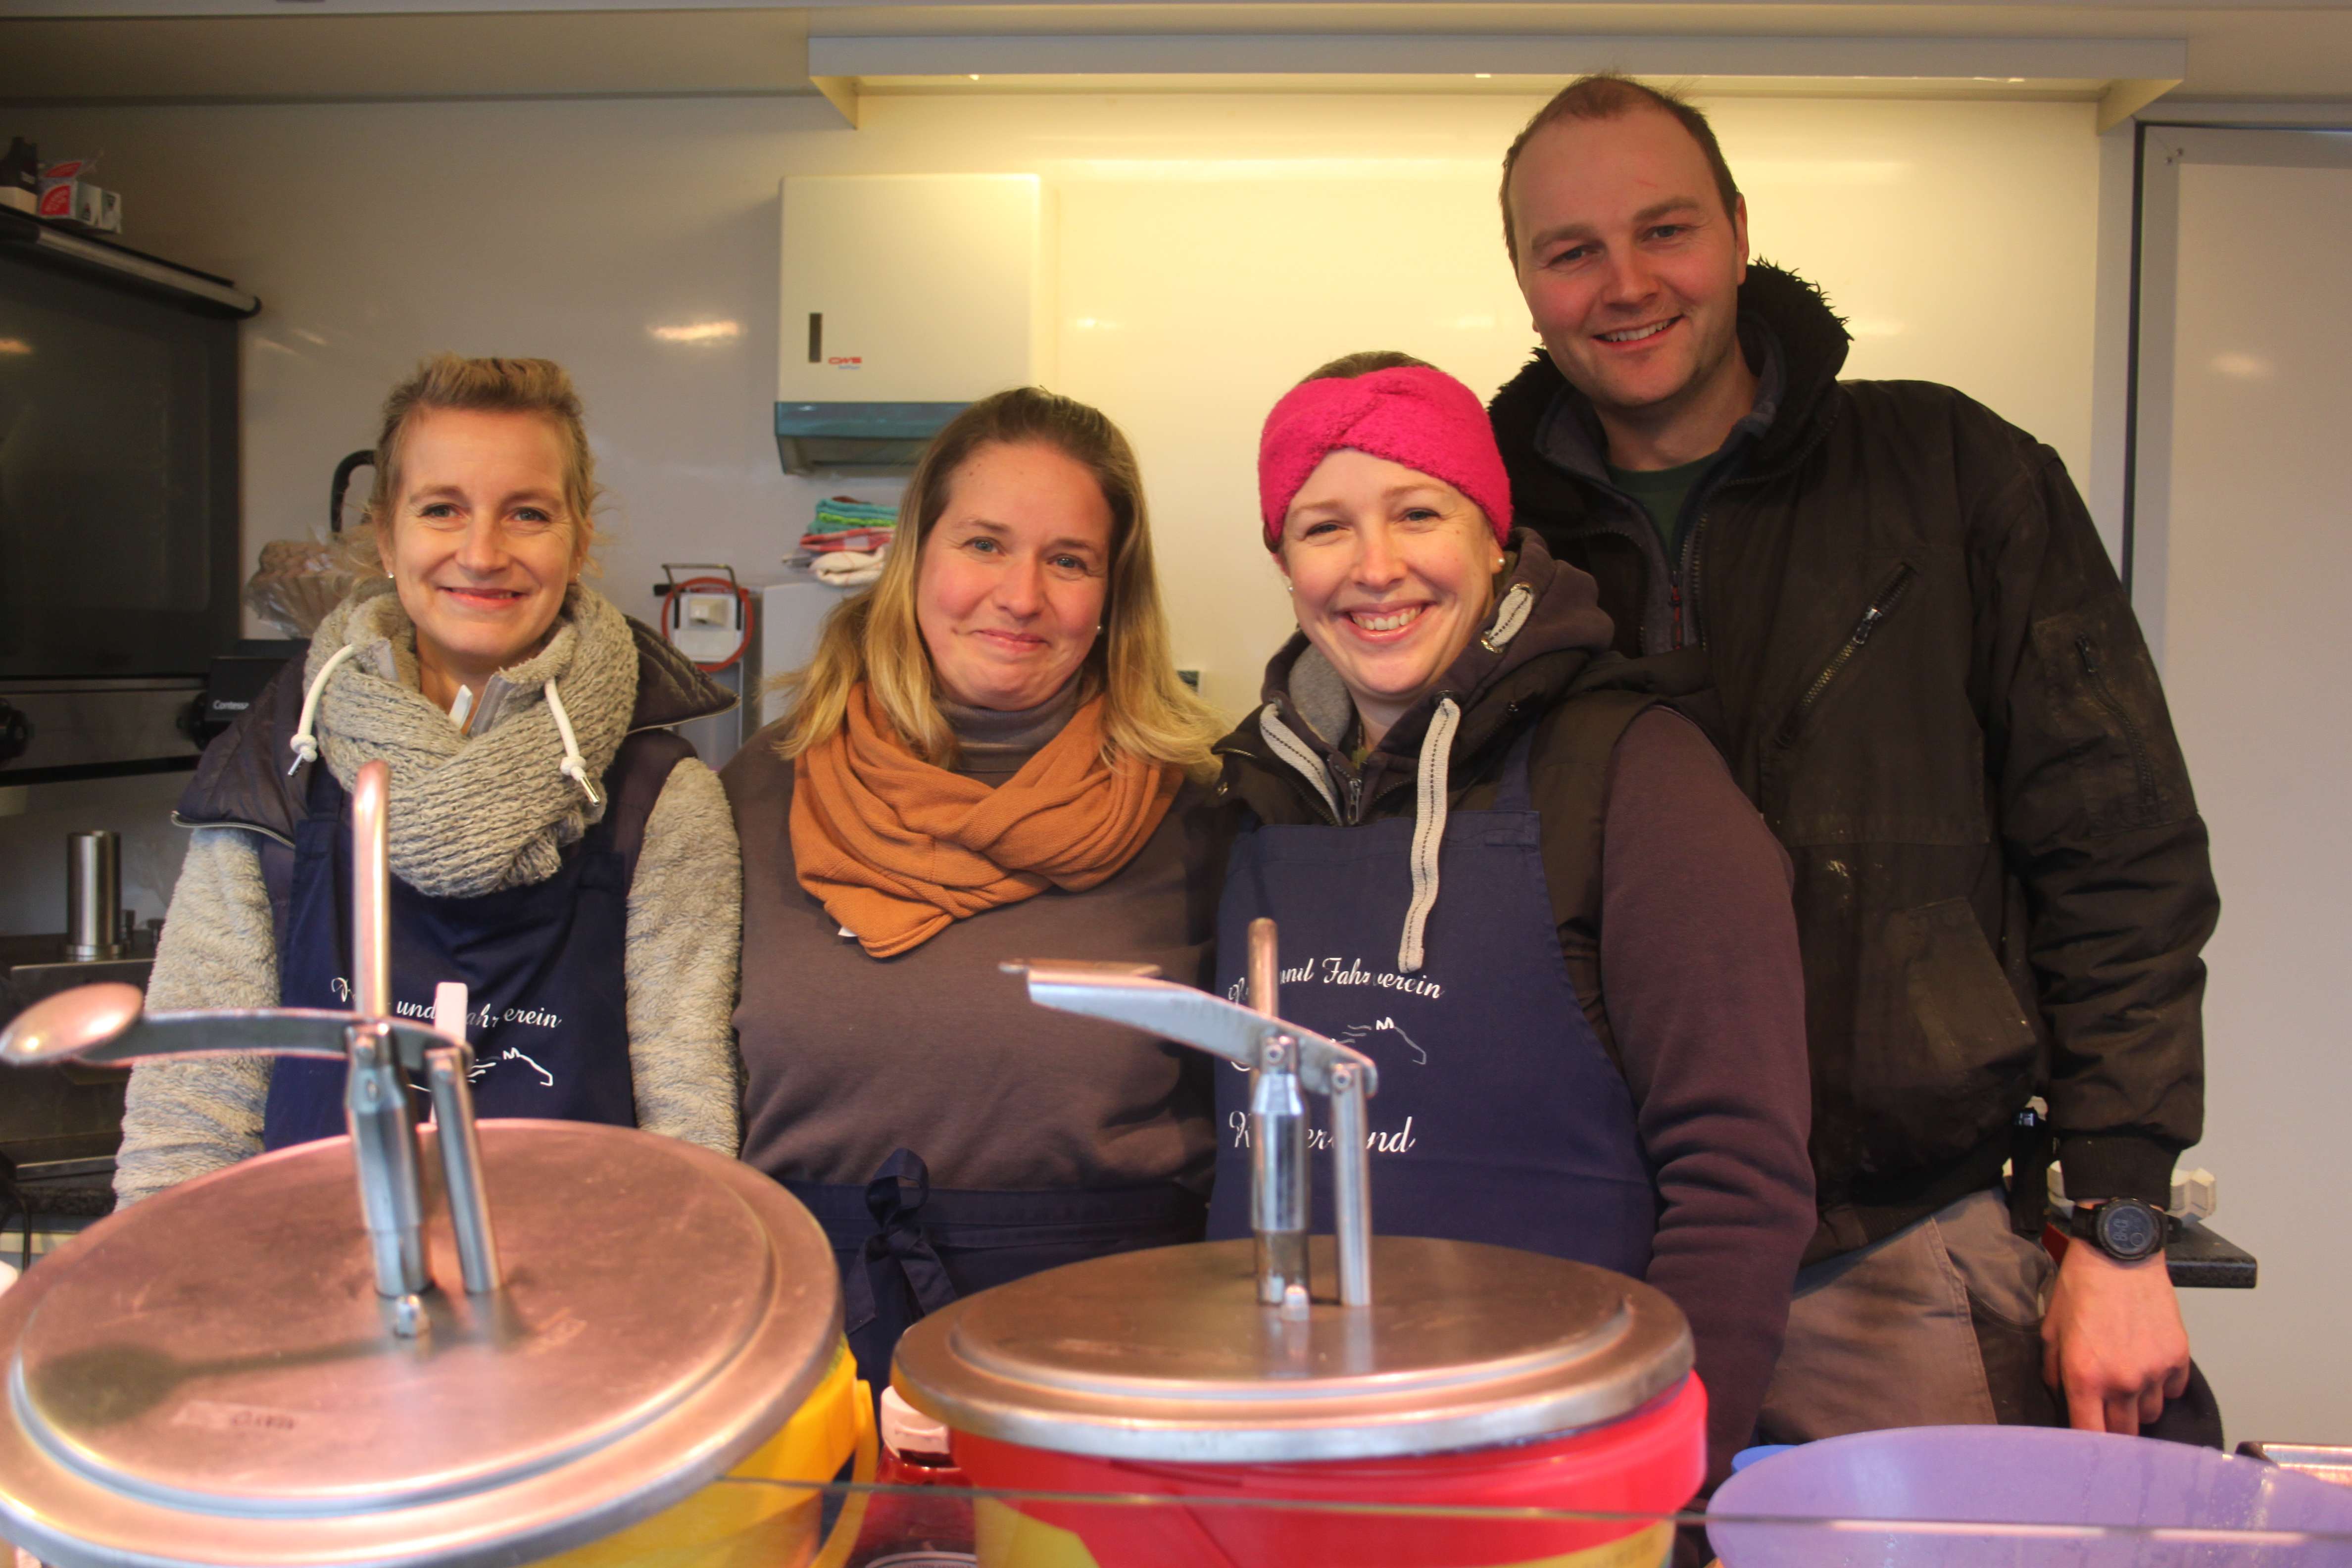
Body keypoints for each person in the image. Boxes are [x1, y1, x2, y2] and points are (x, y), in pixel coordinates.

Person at [1487, 75, 2220, 1441]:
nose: (1626, 283)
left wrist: (2121, 1223)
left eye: (1665, 230)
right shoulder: (1479, 528)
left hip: (1899, 1257)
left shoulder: (1956, 473)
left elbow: (2121, 859)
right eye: (1571, 250)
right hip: (1578, 1259)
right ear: (1525, 283)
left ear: (1739, 230)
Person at [1209, 355, 1815, 1488]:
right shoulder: (1250, 793)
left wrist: (1651, 1477)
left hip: (1553, 1475)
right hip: (1277, 1456)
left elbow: (1740, 1183)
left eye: (1418, 513)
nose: (1375, 567)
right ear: (1285, 564)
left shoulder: (1640, 775)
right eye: (1325, 526)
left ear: (1495, 537)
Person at [115, 354, 742, 1203]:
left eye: (527, 513)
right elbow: (193, 1102)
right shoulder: (279, 765)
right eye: (442, 509)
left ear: (579, 540)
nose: (481, 554)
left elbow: (689, 1124)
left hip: (585, 1271)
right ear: (386, 535)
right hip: (309, 1267)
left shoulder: (658, 793)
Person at [726, 386, 1230, 1393]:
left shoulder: (1209, 811)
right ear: (917, 557)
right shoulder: (756, 793)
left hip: (1120, 1353)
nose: (1021, 596)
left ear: (1115, 594)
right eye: (985, 544)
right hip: (805, 1347)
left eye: (1069, 560)